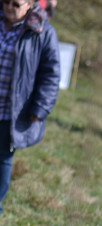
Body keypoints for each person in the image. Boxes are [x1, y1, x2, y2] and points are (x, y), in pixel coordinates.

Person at [0, 0, 59, 214]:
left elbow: (50, 75)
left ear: (29, 4)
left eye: (16, 3)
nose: (9, 7)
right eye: (6, 2)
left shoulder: (42, 32)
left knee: (3, 158)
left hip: (11, 111)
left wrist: (40, 107)